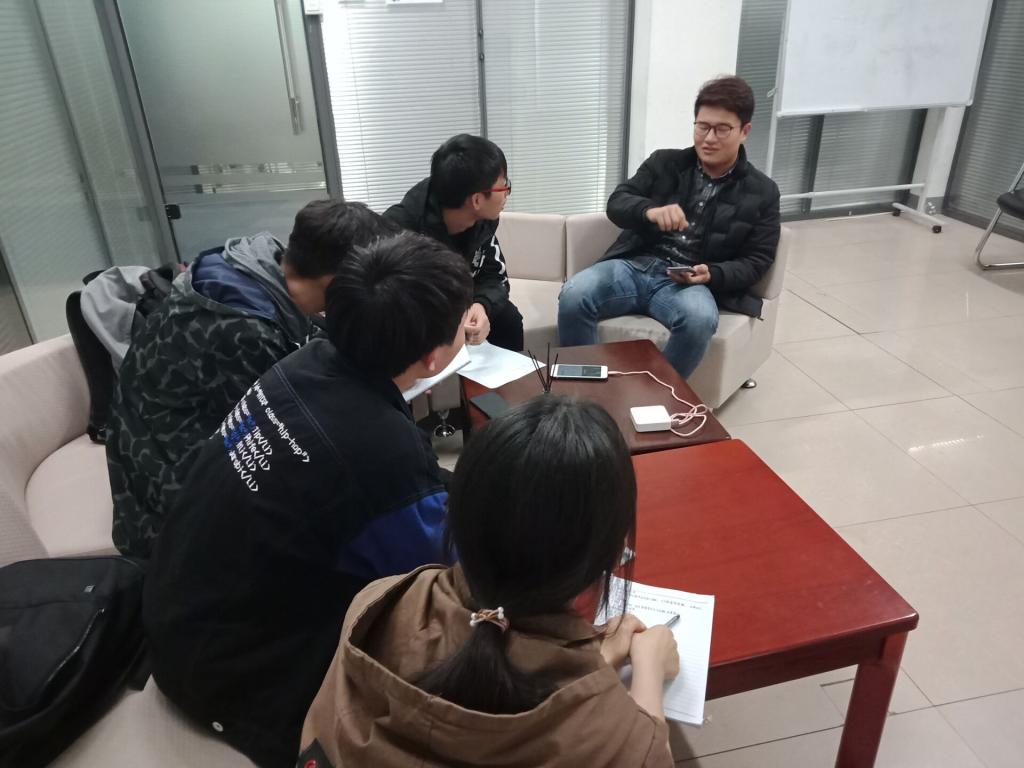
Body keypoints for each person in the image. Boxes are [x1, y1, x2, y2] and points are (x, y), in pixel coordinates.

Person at [143, 233, 473, 768]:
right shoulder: (379, 451)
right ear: (432, 357)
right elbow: (443, 569)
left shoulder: (306, 363)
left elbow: (396, 486)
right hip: (237, 679)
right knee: (462, 640)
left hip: (175, 619)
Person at [300, 395, 680, 768]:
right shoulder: (617, 740)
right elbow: (643, 750)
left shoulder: (378, 603)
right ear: (614, 553)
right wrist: (648, 669)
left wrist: (598, 660)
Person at [107, 200, 391, 558]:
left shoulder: (264, 264)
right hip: (165, 481)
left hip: (178, 432)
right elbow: (288, 435)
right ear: (333, 282)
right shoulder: (244, 329)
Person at [558, 75, 781, 379]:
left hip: (688, 283)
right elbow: (617, 202)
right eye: (702, 126)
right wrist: (649, 211)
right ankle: (582, 389)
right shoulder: (665, 162)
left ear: (745, 131)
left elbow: (757, 260)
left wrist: (712, 273)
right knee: (574, 293)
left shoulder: (762, 192)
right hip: (635, 265)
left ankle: (655, 395)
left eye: (722, 129)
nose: (709, 138)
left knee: (700, 320)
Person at [385, 133, 524, 351]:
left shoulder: (483, 221)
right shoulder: (399, 231)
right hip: (418, 321)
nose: (507, 193)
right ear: (477, 200)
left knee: (508, 319)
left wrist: (481, 305)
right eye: (503, 186)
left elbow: (495, 276)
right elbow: (387, 303)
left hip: (461, 306)